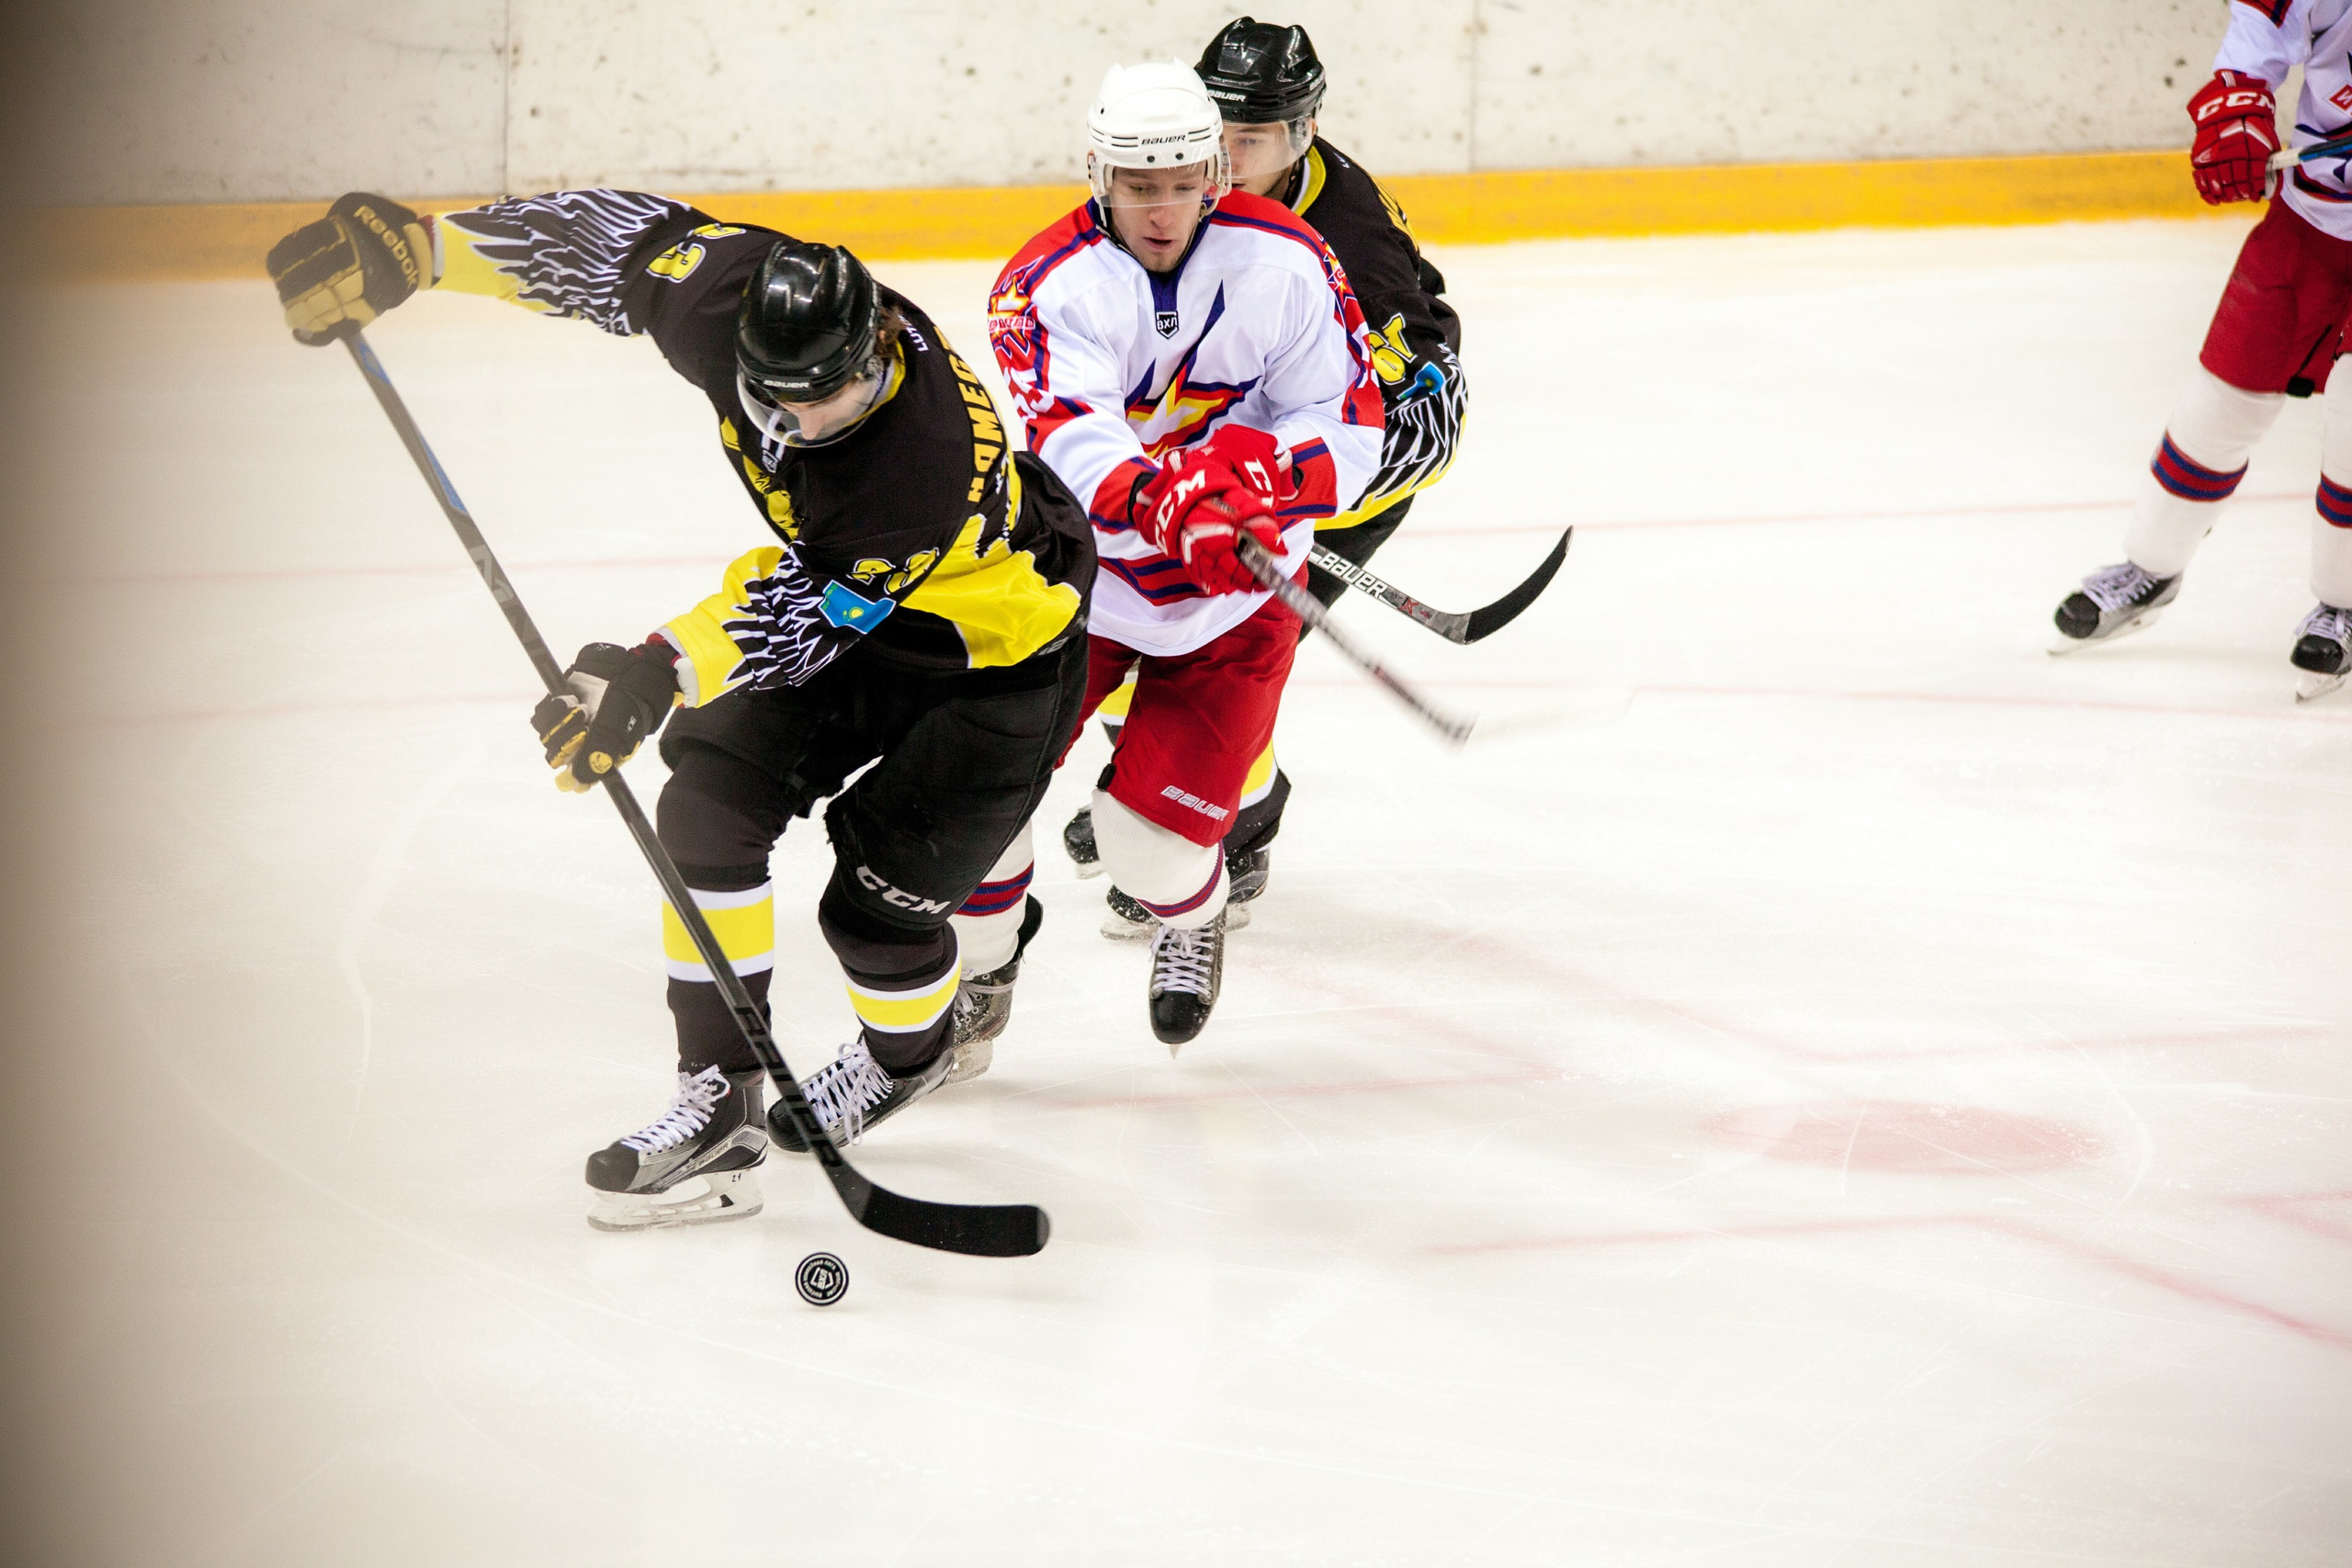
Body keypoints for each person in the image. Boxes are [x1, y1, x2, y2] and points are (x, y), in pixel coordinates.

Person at [266, 188, 1093, 1229]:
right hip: (858, 612)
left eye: (831, 399)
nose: (801, 424)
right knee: (704, 810)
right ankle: (722, 1097)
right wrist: (422, 250)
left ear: (879, 347)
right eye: (778, 400)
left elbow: (798, 615)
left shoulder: (915, 468)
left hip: (992, 656)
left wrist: (652, 668)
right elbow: (617, 244)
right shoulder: (738, 300)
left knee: (872, 918)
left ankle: (912, 1053)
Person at [987, 61, 1384, 1048]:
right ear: (1097, 177)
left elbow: (1347, 428)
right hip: (1079, 595)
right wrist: (1166, 504)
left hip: (1236, 606)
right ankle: (970, 990)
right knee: (972, 808)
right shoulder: (1045, 285)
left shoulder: (1290, 261)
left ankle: (1191, 914)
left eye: (1180, 183)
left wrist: (1258, 487)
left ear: (1213, 172)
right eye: (1136, 186)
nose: (1161, 210)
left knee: (1148, 853)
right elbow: (1070, 438)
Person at [1060, 17, 1473, 920]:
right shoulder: (1190, 188)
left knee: (1223, 629)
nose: (1232, 157)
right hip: (1246, 428)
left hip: (1383, 432)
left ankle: (1236, 831)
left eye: (1254, 139)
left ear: (1302, 133)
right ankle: (1152, 780)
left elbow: (1373, 391)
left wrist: (1271, 486)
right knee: (1128, 598)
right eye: (1223, 134)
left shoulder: (1344, 234)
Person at [2050, 2, 2352, 700]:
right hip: (2306, 227)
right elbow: (2250, 51)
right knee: (2223, 400)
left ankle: (2342, 603)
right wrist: (2235, 114)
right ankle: (2149, 568)